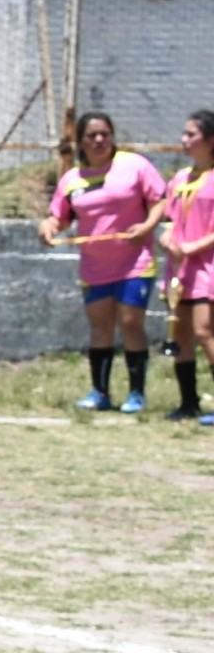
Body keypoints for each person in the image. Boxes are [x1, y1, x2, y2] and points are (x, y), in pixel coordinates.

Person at [43, 108, 169, 412]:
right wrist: (47, 227)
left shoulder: (134, 165)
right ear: (81, 142)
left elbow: (160, 200)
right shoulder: (72, 178)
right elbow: (58, 216)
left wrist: (147, 226)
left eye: (105, 135)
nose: (99, 140)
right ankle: (100, 392)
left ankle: (136, 394)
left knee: (130, 323)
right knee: (100, 327)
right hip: (95, 266)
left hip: (134, 261)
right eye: (92, 136)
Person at [156, 110, 214, 423]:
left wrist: (196, 245)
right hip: (179, 269)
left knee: (205, 331)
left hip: (207, 266)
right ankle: (188, 402)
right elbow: (171, 219)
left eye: (192, 135)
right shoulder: (179, 179)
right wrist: (167, 236)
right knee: (180, 334)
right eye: (184, 134)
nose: (184, 140)